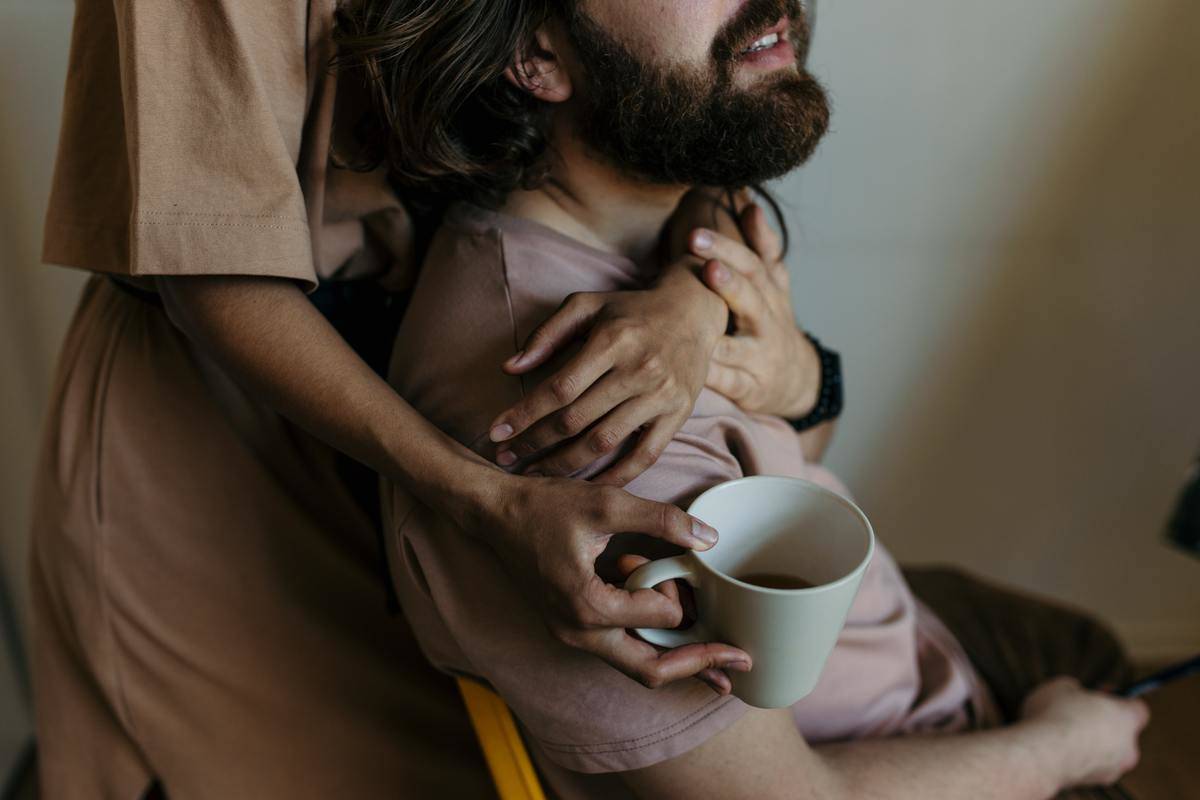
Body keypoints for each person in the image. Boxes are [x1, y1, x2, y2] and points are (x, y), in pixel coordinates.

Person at [350, 0, 1152, 797]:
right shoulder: (588, 414)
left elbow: (787, 461)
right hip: (897, 749)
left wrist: (750, 338)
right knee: (1102, 699)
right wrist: (1060, 752)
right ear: (538, 58)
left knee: (1082, 643)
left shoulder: (666, 229)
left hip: (895, 652)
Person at [29, 1, 829, 797]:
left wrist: (690, 303)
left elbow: (672, 97)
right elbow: (212, 274)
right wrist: (486, 500)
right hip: (228, 415)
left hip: (444, 343)